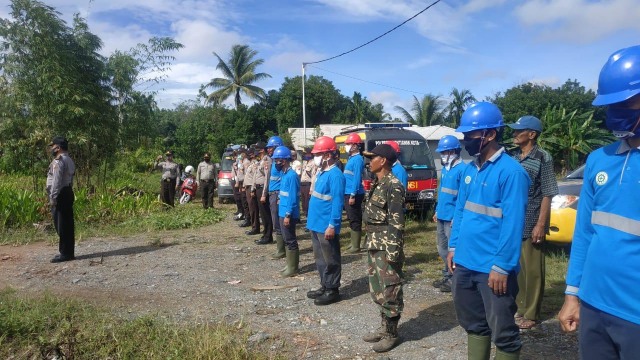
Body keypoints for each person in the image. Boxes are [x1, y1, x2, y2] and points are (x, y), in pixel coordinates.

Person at [558, 45, 640, 359]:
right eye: (611, 104)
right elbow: (584, 235)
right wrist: (573, 294)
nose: (615, 111)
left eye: (624, 102)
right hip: (594, 305)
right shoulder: (598, 161)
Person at [447, 101, 530, 360]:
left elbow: (513, 224)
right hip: (465, 262)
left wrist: (502, 266)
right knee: (473, 324)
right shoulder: (470, 169)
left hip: (492, 268)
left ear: (490, 134)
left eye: (470, 136)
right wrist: (453, 246)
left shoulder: (511, 172)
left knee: (503, 331)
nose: (466, 142)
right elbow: (461, 210)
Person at [508, 116, 558, 330]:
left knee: (533, 269)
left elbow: (548, 193)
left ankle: (532, 313)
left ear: (532, 134)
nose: (514, 134)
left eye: (519, 131)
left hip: (533, 219)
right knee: (517, 268)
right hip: (514, 219)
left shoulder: (542, 157)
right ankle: (520, 307)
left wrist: (540, 224)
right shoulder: (513, 157)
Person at [361, 144, 406, 353]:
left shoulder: (393, 185)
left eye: (373, 158)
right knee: (377, 289)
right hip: (374, 243)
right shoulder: (377, 184)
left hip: (387, 246)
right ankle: (383, 326)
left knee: (390, 289)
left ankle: (392, 333)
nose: (369, 161)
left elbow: (397, 222)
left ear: (384, 161)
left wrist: (393, 252)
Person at [306, 136, 345, 306]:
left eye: (319, 154)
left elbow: (337, 203)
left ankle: (332, 289)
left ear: (328, 155)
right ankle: (324, 284)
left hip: (326, 225)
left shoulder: (335, 175)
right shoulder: (322, 172)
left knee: (331, 258)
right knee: (320, 258)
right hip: (316, 223)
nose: (316, 157)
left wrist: (332, 225)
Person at [431, 135, 466, 293]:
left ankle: (454, 279)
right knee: (442, 249)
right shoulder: (445, 169)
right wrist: (437, 210)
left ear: (453, 151)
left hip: (452, 218)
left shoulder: (462, 169)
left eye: (444, 152)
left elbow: (462, 197)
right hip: (442, 215)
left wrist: (457, 218)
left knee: (454, 250)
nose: (442, 155)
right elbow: (441, 191)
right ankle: (447, 275)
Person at [272, 145, 301, 277]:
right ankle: (289, 264)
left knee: (290, 239)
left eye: (277, 160)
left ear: (283, 160)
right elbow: (283, 193)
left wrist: (288, 214)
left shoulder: (292, 176)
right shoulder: (284, 174)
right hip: (282, 211)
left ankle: (293, 267)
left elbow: (293, 197)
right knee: (285, 238)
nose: (275, 163)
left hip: (288, 213)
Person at [47, 136, 76, 263]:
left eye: (53, 146)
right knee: (68, 224)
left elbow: (57, 181)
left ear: (58, 148)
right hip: (68, 191)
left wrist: (53, 197)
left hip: (61, 194)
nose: (52, 149)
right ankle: (68, 252)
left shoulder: (58, 161)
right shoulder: (69, 159)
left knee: (62, 224)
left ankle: (65, 253)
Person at [343, 133, 366, 254]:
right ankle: (353, 243)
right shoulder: (351, 158)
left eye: (349, 144)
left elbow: (357, 178)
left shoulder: (357, 159)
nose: (347, 146)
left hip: (354, 193)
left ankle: (356, 246)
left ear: (356, 146)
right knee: (351, 218)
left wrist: (353, 194)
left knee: (355, 218)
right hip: (347, 192)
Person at [264, 136, 284, 250]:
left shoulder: (279, 164)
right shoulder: (274, 162)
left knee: (278, 222)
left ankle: (281, 249)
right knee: (275, 221)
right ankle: (280, 248)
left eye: (271, 147)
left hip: (277, 194)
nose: (269, 150)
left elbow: (283, 181)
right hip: (273, 194)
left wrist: (279, 196)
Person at [253, 141, 273, 244]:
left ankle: (267, 236)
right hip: (258, 188)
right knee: (262, 214)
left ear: (261, 150)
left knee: (265, 214)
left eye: (257, 149)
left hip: (262, 189)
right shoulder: (261, 161)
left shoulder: (267, 160)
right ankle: (265, 234)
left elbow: (267, 179)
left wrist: (264, 194)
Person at [243, 148, 260, 235]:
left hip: (251, 188)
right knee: (251, 208)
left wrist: (253, 189)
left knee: (253, 209)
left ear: (253, 155)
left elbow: (254, 178)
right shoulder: (251, 164)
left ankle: (255, 228)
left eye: (249, 154)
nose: (247, 156)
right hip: (248, 187)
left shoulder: (255, 164)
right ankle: (254, 226)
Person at [300, 147, 316, 218]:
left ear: (310, 154)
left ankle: (309, 220)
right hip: (302, 184)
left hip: (308, 185)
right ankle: (307, 217)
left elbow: (313, 176)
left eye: (306, 153)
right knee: (304, 205)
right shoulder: (305, 162)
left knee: (307, 204)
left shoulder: (313, 163)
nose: (304, 155)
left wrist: (311, 189)